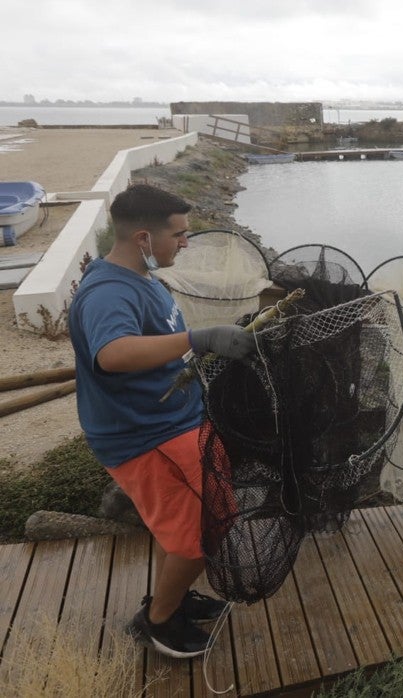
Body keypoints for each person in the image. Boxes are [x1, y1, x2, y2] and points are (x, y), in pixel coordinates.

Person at [69, 184, 257, 658]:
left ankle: (169, 597)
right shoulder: (107, 292)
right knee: (199, 536)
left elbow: (155, 346)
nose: (186, 242)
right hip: (145, 436)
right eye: (180, 234)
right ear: (143, 239)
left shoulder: (141, 278)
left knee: (187, 529)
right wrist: (200, 336)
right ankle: (158, 623)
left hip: (174, 423)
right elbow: (112, 354)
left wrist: (199, 346)